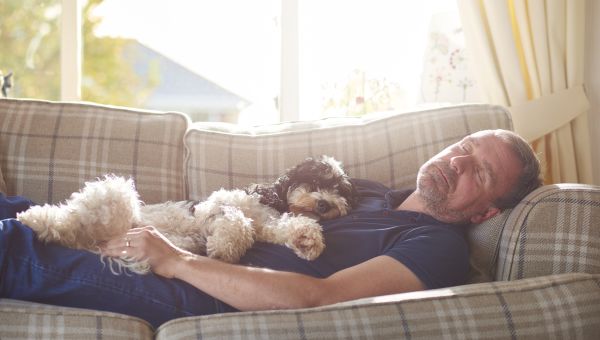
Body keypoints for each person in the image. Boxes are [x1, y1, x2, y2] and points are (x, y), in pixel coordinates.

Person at [0, 129, 542, 328]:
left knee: (16, 249)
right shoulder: (372, 191)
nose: (458, 161)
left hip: (194, 290)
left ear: (486, 213)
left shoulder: (436, 245)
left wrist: (176, 260)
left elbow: (320, 297)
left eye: (481, 171)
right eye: (465, 146)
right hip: (185, 235)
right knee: (23, 211)